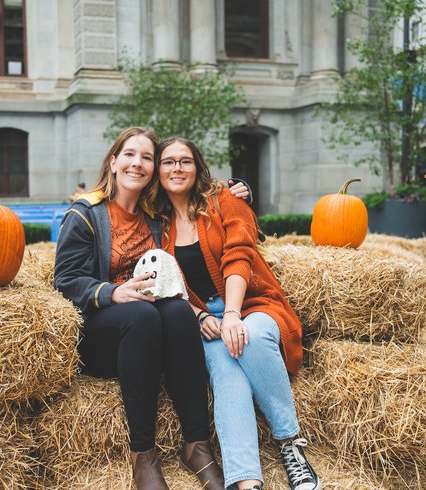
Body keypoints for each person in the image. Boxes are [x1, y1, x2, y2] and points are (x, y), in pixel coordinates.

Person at [54, 127, 249, 490]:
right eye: (129, 155)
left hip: (155, 339)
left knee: (176, 311)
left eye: (147, 157)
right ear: (113, 162)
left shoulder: (154, 215)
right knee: (141, 313)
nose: (138, 163)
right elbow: (65, 280)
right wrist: (113, 293)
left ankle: (197, 444)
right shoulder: (86, 214)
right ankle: (142, 455)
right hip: (105, 337)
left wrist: (237, 187)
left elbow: (192, 183)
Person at [149, 137, 320, 490]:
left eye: (185, 161)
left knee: (251, 337)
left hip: (251, 302)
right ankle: (246, 481)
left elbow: (239, 253)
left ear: (198, 167)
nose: (176, 168)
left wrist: (231, 313)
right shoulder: (156, 223)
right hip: (201, 318)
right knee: (227, 376)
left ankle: (290, 445)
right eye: (168, 162)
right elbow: (165, 283)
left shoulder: (223, 200)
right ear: (158, 170)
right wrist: (199, 316)